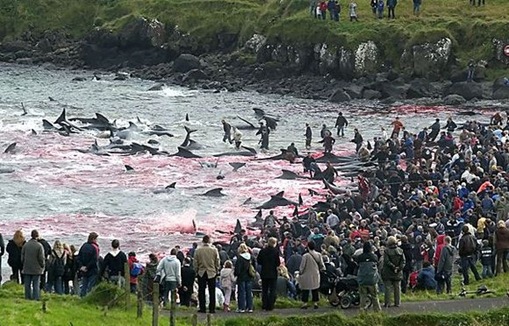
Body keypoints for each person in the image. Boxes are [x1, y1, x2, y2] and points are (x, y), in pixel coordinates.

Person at [193, 235, 220, 314]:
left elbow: (195, 262)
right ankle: (212, 309)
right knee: (212, 291)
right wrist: (217, 269)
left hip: (201, 272)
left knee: (201, 291)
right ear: (209, 241)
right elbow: (217, 261)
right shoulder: (214, 250)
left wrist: (196, 270)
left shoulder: (198, 250)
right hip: (212, 272)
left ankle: (202, 308)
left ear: (203, 241)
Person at [355, 241, 382, 312]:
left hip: (362, 279)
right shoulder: (374, 256)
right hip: (372, 279)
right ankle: (377, 311)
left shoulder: (360, 257)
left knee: (363, 296)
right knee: (375, 296)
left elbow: (357, 264)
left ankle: (362, 311)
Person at [299, 240, 324, 309]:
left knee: (305, 289)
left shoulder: (305, 256)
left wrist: (300, 272)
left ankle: (305, 303)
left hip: (306, 274)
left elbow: (302, 266)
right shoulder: (319, 255)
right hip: (315, 273)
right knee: (315, 289)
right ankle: (315, 303)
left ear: (308, 247)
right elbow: (322, 265)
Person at [257, 237, 281, 311]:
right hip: (273, 273)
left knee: (264, 290)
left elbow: (259, 261)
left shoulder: (262, 251)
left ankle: (264, 305)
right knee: (272, 290)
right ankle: (271, 306)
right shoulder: (276, 251)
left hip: (264, 272)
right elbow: (278, 263)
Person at [381, 236, 405, 308]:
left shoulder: (386, 251)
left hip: (388, 271)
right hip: (398, 272)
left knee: (388, 288)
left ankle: (387, 303)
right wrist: (399, 268)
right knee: (397, 287)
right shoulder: (400, 250)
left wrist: (393, 267)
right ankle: (397, 303)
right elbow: (403, 261)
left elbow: (386, 261)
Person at [21, 230, 45, 300]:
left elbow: (22, 257)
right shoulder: (39, 246)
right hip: (36, 268)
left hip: (27, 267)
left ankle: (27, 297)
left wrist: (24, 264)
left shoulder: (25, 245)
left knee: (27, 285)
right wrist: (42, 266)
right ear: (37, 236)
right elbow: (41, 258)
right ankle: (36, 297)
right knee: (36, 284)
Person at [77, 232, 100, 297]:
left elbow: (79, 257)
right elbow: (94, 260)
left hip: (83, 269)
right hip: (92, 269)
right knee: (90, 286)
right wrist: (87, 267)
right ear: (93, 239)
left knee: (84, 285)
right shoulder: (95, 247)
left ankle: (82, 298)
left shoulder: (84, 246)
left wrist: (81, 266)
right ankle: (88, 298)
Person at [234, 243, 255, 313]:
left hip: (241, 277)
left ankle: (241, 307)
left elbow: (237, 270)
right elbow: (254, 266)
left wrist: (236, 274)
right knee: (249, 292)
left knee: (241, 292)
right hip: (249, 277)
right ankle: (250, 307)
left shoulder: (240, 258)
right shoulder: (251, 257)